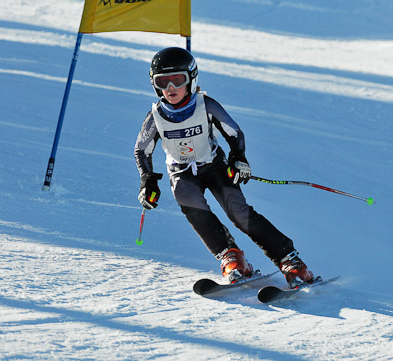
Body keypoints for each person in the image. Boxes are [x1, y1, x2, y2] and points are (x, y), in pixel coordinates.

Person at [134, 47, 315, 288]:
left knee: (238, 212)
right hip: (181, 173)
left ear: (191, 79)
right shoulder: (155, 116)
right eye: (162, 82)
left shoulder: (204, 105)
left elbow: (233, 132)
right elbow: (141, 150)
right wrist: (148, 180)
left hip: (215, 166)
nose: (170, 88)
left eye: (178, 80)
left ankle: (290, 261)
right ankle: (231, 257)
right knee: (191, 205)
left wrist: (238, 158)